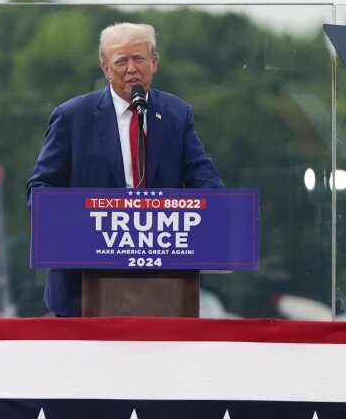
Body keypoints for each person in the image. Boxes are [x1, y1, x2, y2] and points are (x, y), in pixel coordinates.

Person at [26, 22, 224, 317]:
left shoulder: (176, 115)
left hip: (163, 287)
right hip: (82, 291)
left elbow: (206, 182)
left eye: (139, 59)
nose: (131, 68)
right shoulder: (72, 117)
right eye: (121, 61)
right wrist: (80, 220)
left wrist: (214, 211)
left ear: (154, 63)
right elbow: (40, 190)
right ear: (106, 68)